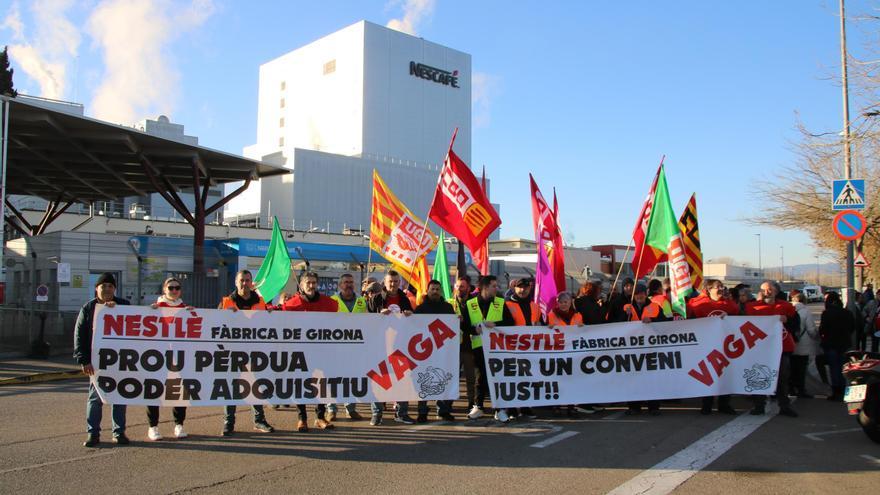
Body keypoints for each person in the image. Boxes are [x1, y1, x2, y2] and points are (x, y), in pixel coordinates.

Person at [75, 272, 130, 447]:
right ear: (96, 288)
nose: (107, 289)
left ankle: (119, 432)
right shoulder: (89, 308)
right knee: (95, 398)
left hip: (120, 360)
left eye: (110, 286)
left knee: (119, 398)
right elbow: (80, 335)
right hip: (97, 362)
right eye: (103, 286)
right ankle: (93, 434)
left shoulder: (124, 305)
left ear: (115, 289)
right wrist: (84, 360)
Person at [218, 270, 275, 436]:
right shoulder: (227, 302)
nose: (245, 283)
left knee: (256, 386)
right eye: (242, 280)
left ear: (252, 282)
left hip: (255, 351)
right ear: (236, 282)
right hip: (233, 352)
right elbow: (215, 325)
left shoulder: (260, 301)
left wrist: (271, 315)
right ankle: (228, 422)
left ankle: (259, 420)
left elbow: (267, 323)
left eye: (247, 280)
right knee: (232, 387)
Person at [283, 271, 339, 431]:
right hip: (300, 352)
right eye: (308, 282)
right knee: (301, 384)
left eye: (314, 282)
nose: (311, 285)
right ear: (301, 285)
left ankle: (320, 417)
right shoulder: (291, 305)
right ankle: (302, 419)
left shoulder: (329, 304)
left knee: (321, 383)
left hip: (322, 351)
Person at [145, 277, 193, 440]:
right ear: (164, 289)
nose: (174, 291)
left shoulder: (185, 308)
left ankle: (179, 424)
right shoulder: (155, 308)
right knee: (155, 390)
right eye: (170, 288)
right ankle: (153, 426)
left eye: (177, 288)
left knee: (179, 391)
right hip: (158, 356)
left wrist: (193, 314)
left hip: (179, 356)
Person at [464, 275, 515, 422]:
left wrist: (496, 325)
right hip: (478, 346)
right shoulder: (470, 303)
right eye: (494, 285)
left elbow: (510, 322)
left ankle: (499, 409)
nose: (496, 288)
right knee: (480, 378)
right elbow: (465, 325)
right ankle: (478, 406)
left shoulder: (500, 302)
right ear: (485, 287)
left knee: (497, 378)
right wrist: (475, 330)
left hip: (496, 347)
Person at [745, 281, 799, 417]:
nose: (766, 292)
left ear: (776, 291)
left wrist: (787, 320)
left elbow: (796, 325)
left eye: (769, 289)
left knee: (782, 378)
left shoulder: (786, 306)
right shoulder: (752, 307)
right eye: (763, 290)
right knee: (759, 376)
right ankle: (759, 405)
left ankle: (784, 406)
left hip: (782, 348)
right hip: (759, 349)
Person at [685, 279, 738, 415]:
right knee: (707, 374)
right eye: (717, 287)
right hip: (705, 346)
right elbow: (689, 322)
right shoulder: (698, 304)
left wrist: (730, 317)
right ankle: (706, 404)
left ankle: (724, 404)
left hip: (725, 346)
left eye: (722, 286)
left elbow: (740, 320)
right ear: (709, 289)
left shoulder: (730, 305)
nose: (721, 289)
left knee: (725, 374)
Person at [413, 279, 457, 422]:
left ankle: (443, 410)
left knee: (442, 380)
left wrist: (458, 320)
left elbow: (453, 329)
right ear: (428, 290)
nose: (435, 292)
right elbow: (413, 329)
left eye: (438, 289)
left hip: (443, 351)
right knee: (424, 382)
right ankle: (422, 412)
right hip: (425, 352)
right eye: (433, 289)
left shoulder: (448, 308)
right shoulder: (420, 309)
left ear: (441, 291)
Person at [376, 270, 417, 424]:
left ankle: (401, 413)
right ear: (385, 283)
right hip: (380, 346)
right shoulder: (376, 299)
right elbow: (367, 320)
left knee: (402, 379)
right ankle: (377, 413)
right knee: (380, 380)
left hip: (401, 345)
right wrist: (378, 315)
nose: (393, 284)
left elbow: (412, 321)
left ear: (399, 282)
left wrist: (409, 315)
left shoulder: (405, 299)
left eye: (395, 281)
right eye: (390, 281)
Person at [327, 273, 366, 422]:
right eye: (345, 282)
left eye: (351, 282)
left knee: (352, 378)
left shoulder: (362, 302)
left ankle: (351, 409)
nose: (348, 285)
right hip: (335, 347)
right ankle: (332, 409)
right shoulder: (332, 301)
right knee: (334, 379)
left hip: (355, 348)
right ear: (340, 285)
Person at [622, 283, 666, 415]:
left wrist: (653, 321)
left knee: (652, 378)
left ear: (646, 294)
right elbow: (616, 324)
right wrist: (626, 315)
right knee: (633, 379)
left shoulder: (655, 307)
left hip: (651, 348)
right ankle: (634, 407)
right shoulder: (626, 307)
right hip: (632, 349)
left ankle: (654, 407)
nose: (639, 296)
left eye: (641, 293)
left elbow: (665, 323)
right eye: (636, 294)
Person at [504, 277, 540, 419]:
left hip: (529, 348)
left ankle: (525, 407)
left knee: (527, 378)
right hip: (511, 348)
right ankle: (512, 409)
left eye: (525, 287)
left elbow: (539, 324)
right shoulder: (506, 305)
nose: (522, 290)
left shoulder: (534, 306)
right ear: (514, 288)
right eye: (519, 287)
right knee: (513, 379)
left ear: (530, 288)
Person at [448, 275, 477, 418]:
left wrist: (464, 322)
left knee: (471, 379)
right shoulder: (449, 303)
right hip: (452, 348)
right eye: (457, 286)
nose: (459, 288)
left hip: (469, 346)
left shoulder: (474, 305)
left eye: (462, 286)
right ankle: (447, 404)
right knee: (451, 377)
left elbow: (477, 325)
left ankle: (472, 404)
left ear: (469, 288)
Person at [819, 291, 854, 402]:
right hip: (844, 343)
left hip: (831, 343)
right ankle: (843, 390)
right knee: (843, 368)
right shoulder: (847, 312)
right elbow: (852, 327)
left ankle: (836, 391)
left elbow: (823, 329)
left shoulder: (827, 313)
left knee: (834, 368)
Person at [790, 292, 819, 398]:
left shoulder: (788, 309)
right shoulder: (806, 311)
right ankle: (801, 390)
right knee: (801, 369)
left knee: (792, 368)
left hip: (790, 343)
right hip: (803, 344)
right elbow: (811, 329)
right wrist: (816, 338)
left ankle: (791, 388)